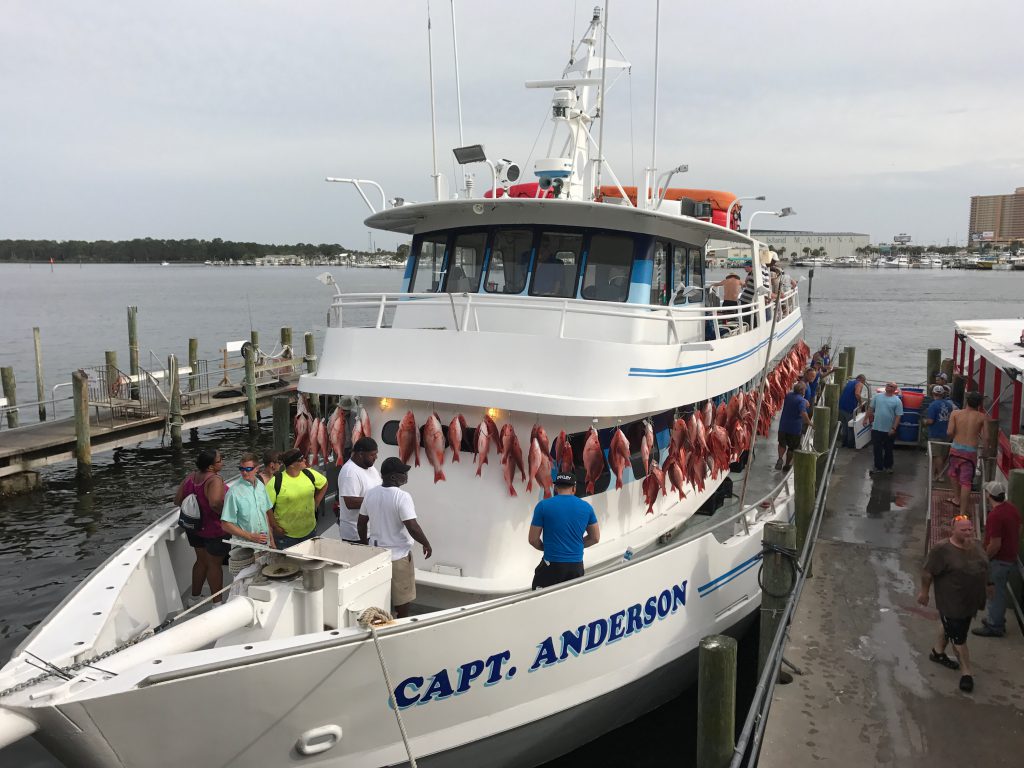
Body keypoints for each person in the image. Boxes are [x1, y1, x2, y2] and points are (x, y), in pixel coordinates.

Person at [917, 514, 989, 692]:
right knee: (959, 638)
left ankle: (938, 652)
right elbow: (927, 573)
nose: (967, 532)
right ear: (953, 530)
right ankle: (967, 673)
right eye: (963, 530)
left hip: (970, 602)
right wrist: (924, 592)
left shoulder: (977, 545)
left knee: (950, 626)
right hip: (952, 603)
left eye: (969, 529)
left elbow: (985, 565)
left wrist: (990, 583)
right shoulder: (942, 550)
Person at [358, 457, 432, 618]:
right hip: (398, 557)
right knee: (402, 597)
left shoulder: (371, 494)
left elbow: (361, 523)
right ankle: (402, 623)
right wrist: (426, 544)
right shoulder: (402, 496)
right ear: (393, 477)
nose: (406, 476)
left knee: (378, 595)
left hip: (377, 554)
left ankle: (379, 621)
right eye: (403, 473)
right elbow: (412, 526)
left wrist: (365, 545)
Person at [174, 448, 228, 605]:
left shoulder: (190, 477)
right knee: (214, 565)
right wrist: (228, 516)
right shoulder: (214, 480)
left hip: (195, 528)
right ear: (211, 466)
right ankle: (217, 604)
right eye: (220, 460)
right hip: (213, 529)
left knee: (201, 561)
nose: (223, 462)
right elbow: (216, 503)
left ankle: (194, 598)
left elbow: (177, 500)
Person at [528, 472, 601, 589]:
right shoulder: (586, 507)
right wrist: (576, 546)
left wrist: (546, 548)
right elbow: (595, 538)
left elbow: (533, 539)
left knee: (543, 602)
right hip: (576, 566)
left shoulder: (542, 506)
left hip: (551, 565)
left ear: (556, 488)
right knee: (572, 602)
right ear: (574, 488)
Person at [972, 481, 1021, 638]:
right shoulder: (1012, 509)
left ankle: (995, 625)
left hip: (998, 561)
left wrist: (984, 558)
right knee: (999, 593)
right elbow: (1019, 528)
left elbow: (995, 545)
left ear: (989, 495)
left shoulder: (995, 515)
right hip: (1010, 557)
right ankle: (996, 619)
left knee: (994, 593)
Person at [266, 448, 328, 548]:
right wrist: (275, 527)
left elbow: (324, 484)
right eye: (300, 459)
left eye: (303, 457)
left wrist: (316, 502)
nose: (304, 460)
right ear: (291, 464)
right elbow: (267, 506)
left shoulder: (309, 473)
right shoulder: (276, 482)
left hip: (310, 531)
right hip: (287, 536)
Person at [220, 452, 274, 547]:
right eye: (241, 469)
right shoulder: (233, 492)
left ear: (256, 469)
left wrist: (272, 541)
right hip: (245, 548)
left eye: (248, 469)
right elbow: (225, 524)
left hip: (265, 545)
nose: (244, 472)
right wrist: (251, 537)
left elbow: (264, 514)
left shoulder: (261, 486)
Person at [946, 391, 987, 512]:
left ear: (967, 401)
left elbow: (949, 432)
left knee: (953, 474)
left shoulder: (955, 413)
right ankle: (962, 512)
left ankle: (957, 498)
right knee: (966, 481)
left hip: (956, 448)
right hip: (970, 452)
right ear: (979, 404)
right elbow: (987, 437)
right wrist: (985, 451)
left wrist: (957, 435)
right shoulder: (981, 417)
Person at [336, 437, 382, 542]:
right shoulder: (350, 472)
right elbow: (350, 502)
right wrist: (380, 500)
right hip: (356, 535)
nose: (376, 457)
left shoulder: (370, 467)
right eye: (372, 454)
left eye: (376, 454)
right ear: (360, 454)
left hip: (372, 531)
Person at [865, 381, 903, 474]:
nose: (888, 387)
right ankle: (878, 467)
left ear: (895, 389)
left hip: (889, 430)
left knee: (888, 449)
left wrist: (893, 428)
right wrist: (865, 419)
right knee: (877, 449)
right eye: (887, 385)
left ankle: (888, 466)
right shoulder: (877, 397)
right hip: (876, 428)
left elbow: (898, 416)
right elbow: (870, 408)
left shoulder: (897, 401)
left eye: (891, 386)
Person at [923, 385, 958, 480]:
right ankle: (936, 473)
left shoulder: (933, 405)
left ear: (933, 394)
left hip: (935, 434)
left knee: (936, 455)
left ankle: (940, 475)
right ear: (943, 394)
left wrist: (924, 422)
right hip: (946, 433)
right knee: (942, 455)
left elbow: (930, 421)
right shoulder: (949, 405)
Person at [776, 381, 812, 470]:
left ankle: (780, 458)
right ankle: (787, 465)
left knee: (782, 444)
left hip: (783, 426)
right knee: (792, 448)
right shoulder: (802, 401)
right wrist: (809, 422)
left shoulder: (788, 396)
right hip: (795, 428)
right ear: (802, 391)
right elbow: (803, 412)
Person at [838, 374, 867, 447]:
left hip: (841, 406)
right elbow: (857, 394)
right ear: (862, 380)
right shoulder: (859, 383)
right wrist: (860, 403)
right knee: (850, 426)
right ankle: (850, 444)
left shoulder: (849, 382)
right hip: (849, 408)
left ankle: (843, 442)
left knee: (844, 425)